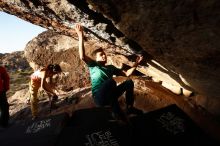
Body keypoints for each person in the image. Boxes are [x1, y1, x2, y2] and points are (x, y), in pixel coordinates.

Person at [75, 24, 143, 122]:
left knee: (129, 82)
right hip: (99, 97)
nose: (104, 56)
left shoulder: (111, 68)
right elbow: (82, 56)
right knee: (111, 82)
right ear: (96, 58)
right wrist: (80, 35)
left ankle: (129, 107)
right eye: (101, 55)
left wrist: (136, 63)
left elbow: (127, 74)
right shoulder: (94, 65)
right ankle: (117, 113)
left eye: (105, 55)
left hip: (111, 94)